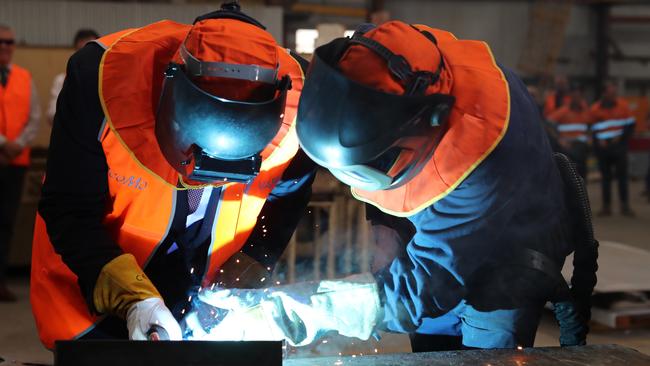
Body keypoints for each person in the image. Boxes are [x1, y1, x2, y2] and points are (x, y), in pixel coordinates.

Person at [190, 21, 598, 351]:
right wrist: (384, 224)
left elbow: (422, 289)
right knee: (432, 344)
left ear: (424, 125)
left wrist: (286, 313)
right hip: (438, 231)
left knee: (483, 350)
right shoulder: (378, 63)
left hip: (506, 259)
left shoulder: (481, 162)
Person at [31, 3, 315, 349]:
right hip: (92, 286)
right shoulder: (100, 78)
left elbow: (288, 194)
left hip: (209, 302)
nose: (209, 184)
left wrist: (254, 260)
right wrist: (135, 299)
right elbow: (69, 208)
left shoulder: (302, 99)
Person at [0, 24, 41, 302]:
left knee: (6, 223)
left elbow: (34, 117)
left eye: (9, 42)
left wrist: (17, 145)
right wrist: (4, 143)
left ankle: (0, 281)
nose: (5, 47)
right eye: (0, 42)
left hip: (16, 162)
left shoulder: (25, 78)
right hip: (5, 152)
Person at [590, 81, 636, 216]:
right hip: (603, 149)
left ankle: (624, 206)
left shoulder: (623, 106)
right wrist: (598, 140)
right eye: (611, 94)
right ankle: (606, 206)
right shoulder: (595, 109)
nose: (613, 96)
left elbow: (631, 125)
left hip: (619, 148)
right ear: (604, 94)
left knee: (622, 177)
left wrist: (620, 139)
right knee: (606, 178)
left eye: (614, 93)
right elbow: (591, 129)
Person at [46, 29, 99, 125]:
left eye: (91, 53)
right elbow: (52, 116)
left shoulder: (105, 82)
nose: (86, 58)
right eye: (81, 52)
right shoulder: (62, 80)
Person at [547, 85, 591, 179]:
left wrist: (589, 139)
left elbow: (590, 126)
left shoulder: (586, 111)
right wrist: (559, 139)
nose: (576, 99)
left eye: (578, 97)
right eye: (574, 97)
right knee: (569, 177)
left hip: (582, 148)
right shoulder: (563, 111)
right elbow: (548, 123)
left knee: (582, 177)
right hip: (568, 149)